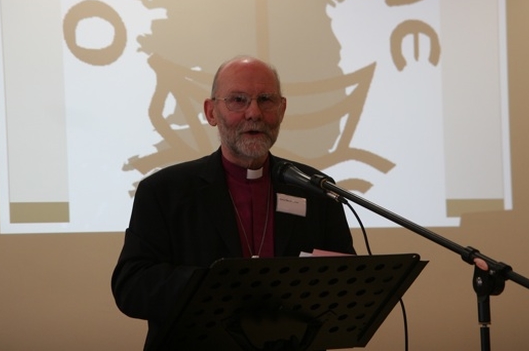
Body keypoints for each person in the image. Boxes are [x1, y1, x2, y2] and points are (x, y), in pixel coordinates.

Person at [111, 55, 355, 350]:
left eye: (266, 99)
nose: (254, 113)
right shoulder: (164, 191)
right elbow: (132, 288)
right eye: (238, 100)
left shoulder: (315, 188)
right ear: (211, 112)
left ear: (282, 109)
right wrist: (219, 285)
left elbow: (347, 281)